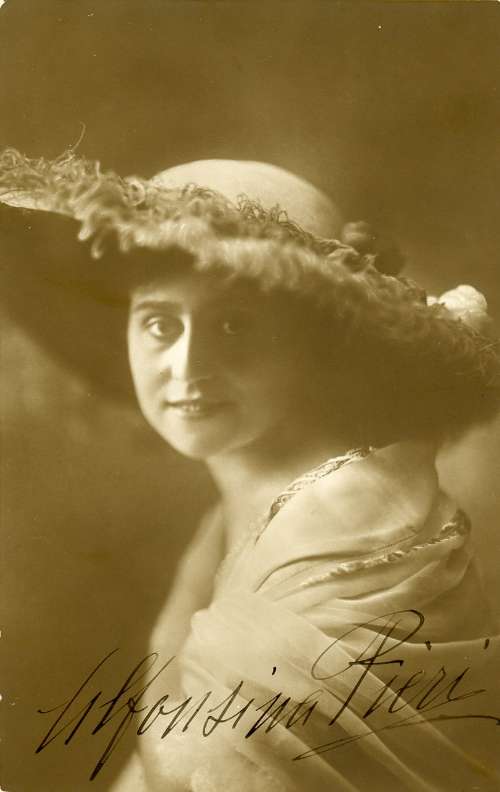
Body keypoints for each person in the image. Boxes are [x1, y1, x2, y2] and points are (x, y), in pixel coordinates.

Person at [1, 149, 499, 791]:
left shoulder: (359, 527)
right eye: (159, 323)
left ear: (313, 345)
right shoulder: (238, 503)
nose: (186, 369)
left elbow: (200, 770)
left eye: (234, 325)